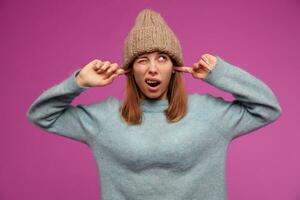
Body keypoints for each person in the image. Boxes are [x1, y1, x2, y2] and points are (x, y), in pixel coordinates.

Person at [26, 8, 282, 200]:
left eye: (162, 58)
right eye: (141, 60)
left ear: (174, 67)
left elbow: (267, 108)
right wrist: (79, 81)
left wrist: (221, 74)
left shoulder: (209, 114)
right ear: (129, 70)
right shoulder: (104, 119)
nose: (152, 69)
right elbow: (41, 115)